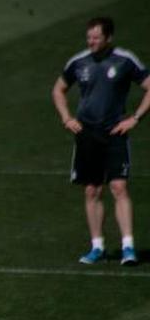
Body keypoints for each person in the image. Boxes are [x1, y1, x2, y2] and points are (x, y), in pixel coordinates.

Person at [52, 16, 150, 266]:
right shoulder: (79, 62)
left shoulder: (125, 60)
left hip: (115, 132)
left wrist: (135, 118)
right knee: (92, 190)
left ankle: (128, 247)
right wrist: (66, 118)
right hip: (87, 134)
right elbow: (58, 89)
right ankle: (97, 247)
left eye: (96, 37)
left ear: (108, 37)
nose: (91, 42)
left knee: (119, 188)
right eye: (89, 37)